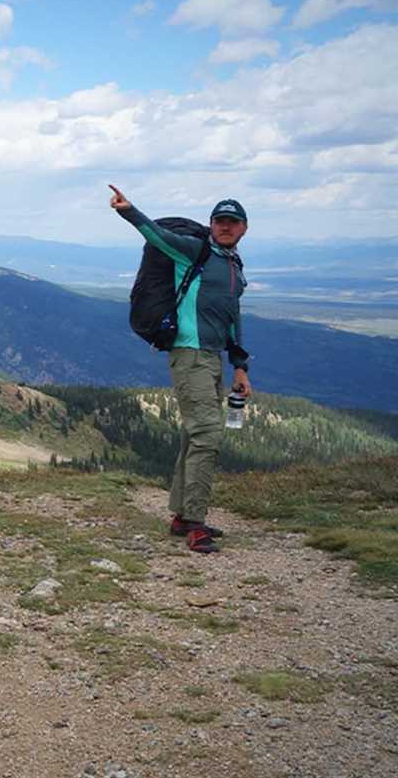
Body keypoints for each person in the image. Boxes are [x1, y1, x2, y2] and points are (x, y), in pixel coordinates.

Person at [109, 185, 252, 554]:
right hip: (189, 356)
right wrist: (129, 210)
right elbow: (158, 235)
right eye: (220, 221)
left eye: (232, 222)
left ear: (243, 228)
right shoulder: (195, 252)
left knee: (194, 435)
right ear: (211, 224)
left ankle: (181, 515)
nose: (225, 227)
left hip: (214, 358)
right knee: (208, 434)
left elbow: (232, 319)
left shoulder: (234, 266)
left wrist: (240, 367)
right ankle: (196, 523)